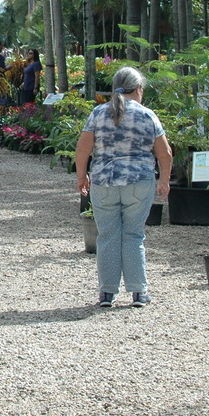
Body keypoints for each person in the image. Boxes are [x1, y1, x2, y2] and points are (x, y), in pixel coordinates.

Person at [74, 66, 172, 309]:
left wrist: (82, 176)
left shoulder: (98, 113)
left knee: (107, 235)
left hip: (104, 181)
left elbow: (83, 148)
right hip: (139, 181)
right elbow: (165, 153)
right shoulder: (147, 115)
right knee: (133, 235)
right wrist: (164, 180)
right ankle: (138, 292)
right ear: (138, 89)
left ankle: (107, 293)